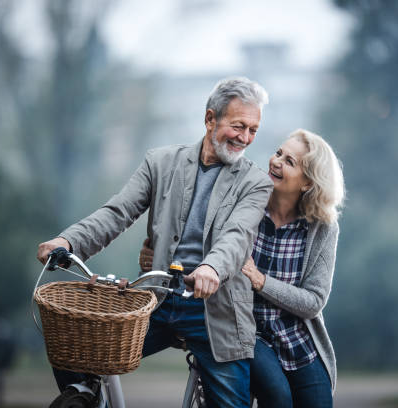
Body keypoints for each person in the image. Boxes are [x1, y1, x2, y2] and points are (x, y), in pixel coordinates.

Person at [37, 77, 274, 408]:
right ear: (210, 119)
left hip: (216, 311)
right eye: (238, 126)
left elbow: (237, 236)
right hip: (157, 299)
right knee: (73, 355)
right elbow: (118, 212)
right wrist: (68, 240)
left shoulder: (256, 183)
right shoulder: (161, 162)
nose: (244, 138)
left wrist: (211, 268)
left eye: (253, 130)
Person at [140, 129, 344, 407]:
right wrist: (159, 256)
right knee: (278, 398)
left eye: (290, 162)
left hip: (297, 339)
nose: (276, 161)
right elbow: (201, 246)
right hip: (246, 330)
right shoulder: (246, 204)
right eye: (278, 153)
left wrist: (260, 280)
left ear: (308, 182)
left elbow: (314, 302)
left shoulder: (322, 228)